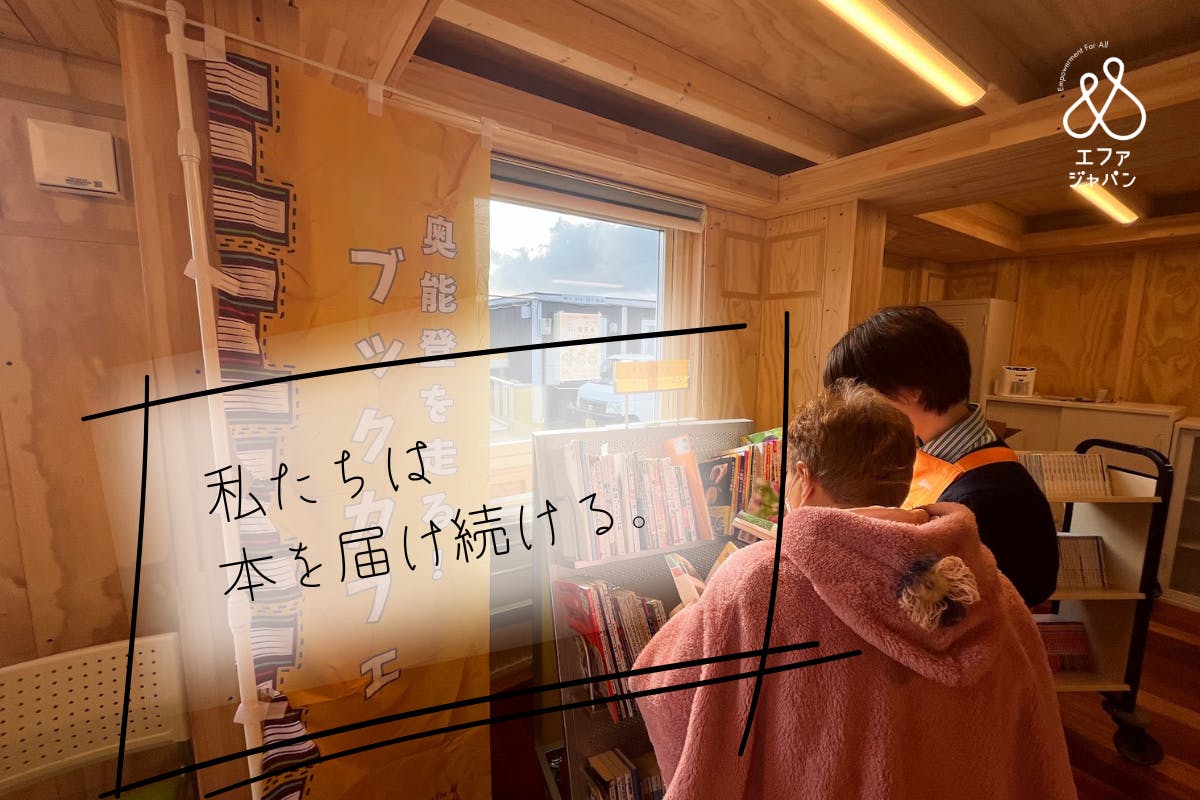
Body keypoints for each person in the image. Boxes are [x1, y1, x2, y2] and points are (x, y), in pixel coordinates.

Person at [630, 381, 1076, 800]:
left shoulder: (756, 582)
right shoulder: (986, 585)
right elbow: (1035, 733)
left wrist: (692, 618)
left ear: (803, 476)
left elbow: (666, 690)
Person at [823, 305, 1057, 606]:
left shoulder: (990, 494)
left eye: (860, 396)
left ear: (912, 390)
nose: (854, 411)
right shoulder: (929, 452)